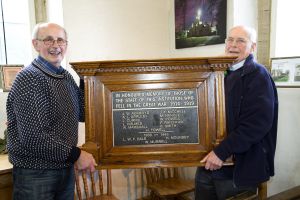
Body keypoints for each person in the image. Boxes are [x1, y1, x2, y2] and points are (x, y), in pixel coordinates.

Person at [6, 22, 97, 200]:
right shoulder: (30, 78)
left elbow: (84, 114)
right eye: (48, 40)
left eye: (60, 40)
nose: (56, 46)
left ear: (66, 45)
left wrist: (88, 80)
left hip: (64, 169)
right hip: (37, 173)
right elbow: (34, 137)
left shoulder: (65, 76)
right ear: (36, 44)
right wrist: (77, 155)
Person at [195, 25, 278, 200]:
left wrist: (221, 152)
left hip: (236, 169)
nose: (233, 45)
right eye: (230, 40)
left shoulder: (258, 76)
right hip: (207, 164)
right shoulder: (218, 74)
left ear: (253, 47)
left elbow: (256, 124)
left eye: (240, 41)